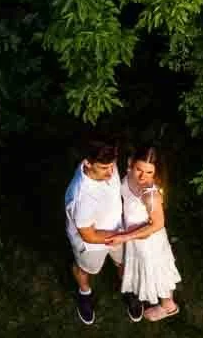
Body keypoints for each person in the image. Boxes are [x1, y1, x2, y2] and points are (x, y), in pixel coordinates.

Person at [63, 136, 141, 325]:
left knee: (124, 263)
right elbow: (88, 234)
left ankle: (128, 289)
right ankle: (84, 292)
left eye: (112, 165)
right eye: (104, 168)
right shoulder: (81, 197)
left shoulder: (108, 166)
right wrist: (123, 236)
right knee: (85, 268)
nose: (110, 172)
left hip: (118, 230)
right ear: (87, 163)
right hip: (90, 244)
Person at [106, 144, 181, 321]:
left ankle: (168, 307)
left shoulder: (151, 194)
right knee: (145, 272)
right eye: (139, 169)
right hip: (134, 238)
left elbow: (157, 225)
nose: (143, 177)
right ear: (131, 163)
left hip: (149, 243)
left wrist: (124, 237)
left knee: (157, 274)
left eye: (149, 172)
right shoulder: (127, 175)